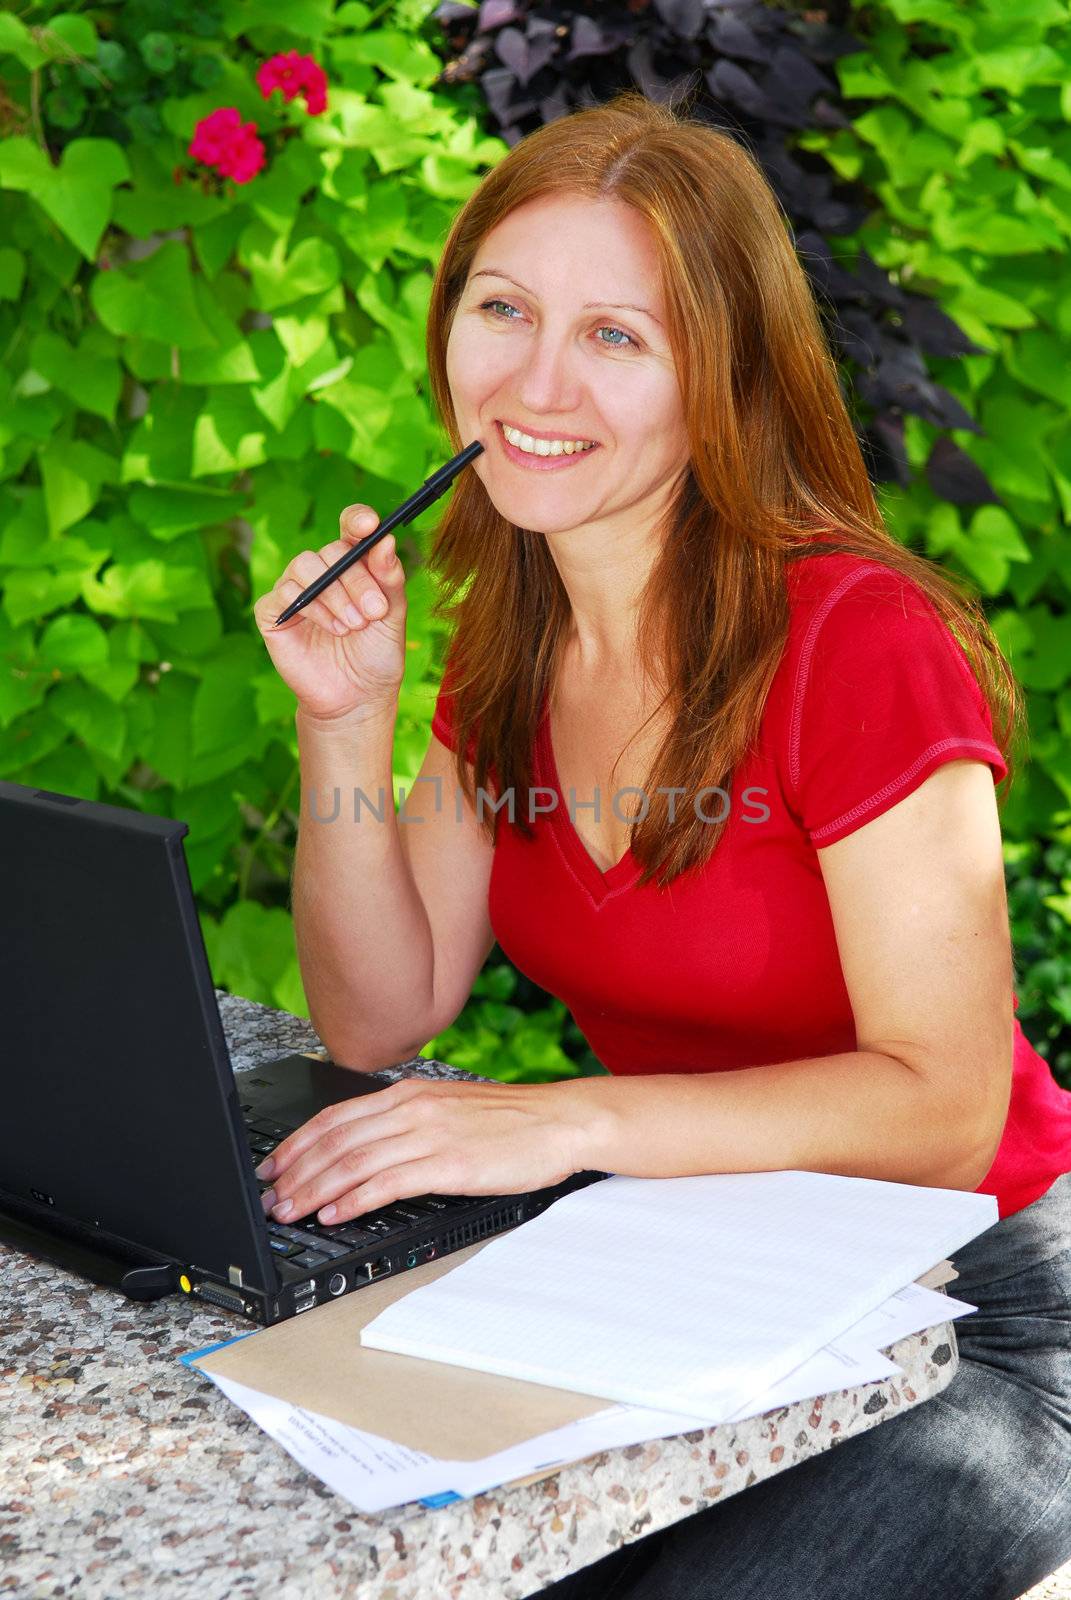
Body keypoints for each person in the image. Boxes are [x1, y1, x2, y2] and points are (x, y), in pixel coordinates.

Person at [253, 90, 1071, 1600]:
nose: (534, 379)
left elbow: (948, 1111)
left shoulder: (861, 642)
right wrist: (341, 726)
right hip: (689, 1272)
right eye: (503, 309)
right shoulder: (514, 640)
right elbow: (381, 1012)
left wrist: (568, 1121)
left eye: (617, 337)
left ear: (724, 382)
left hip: (973, 1307)